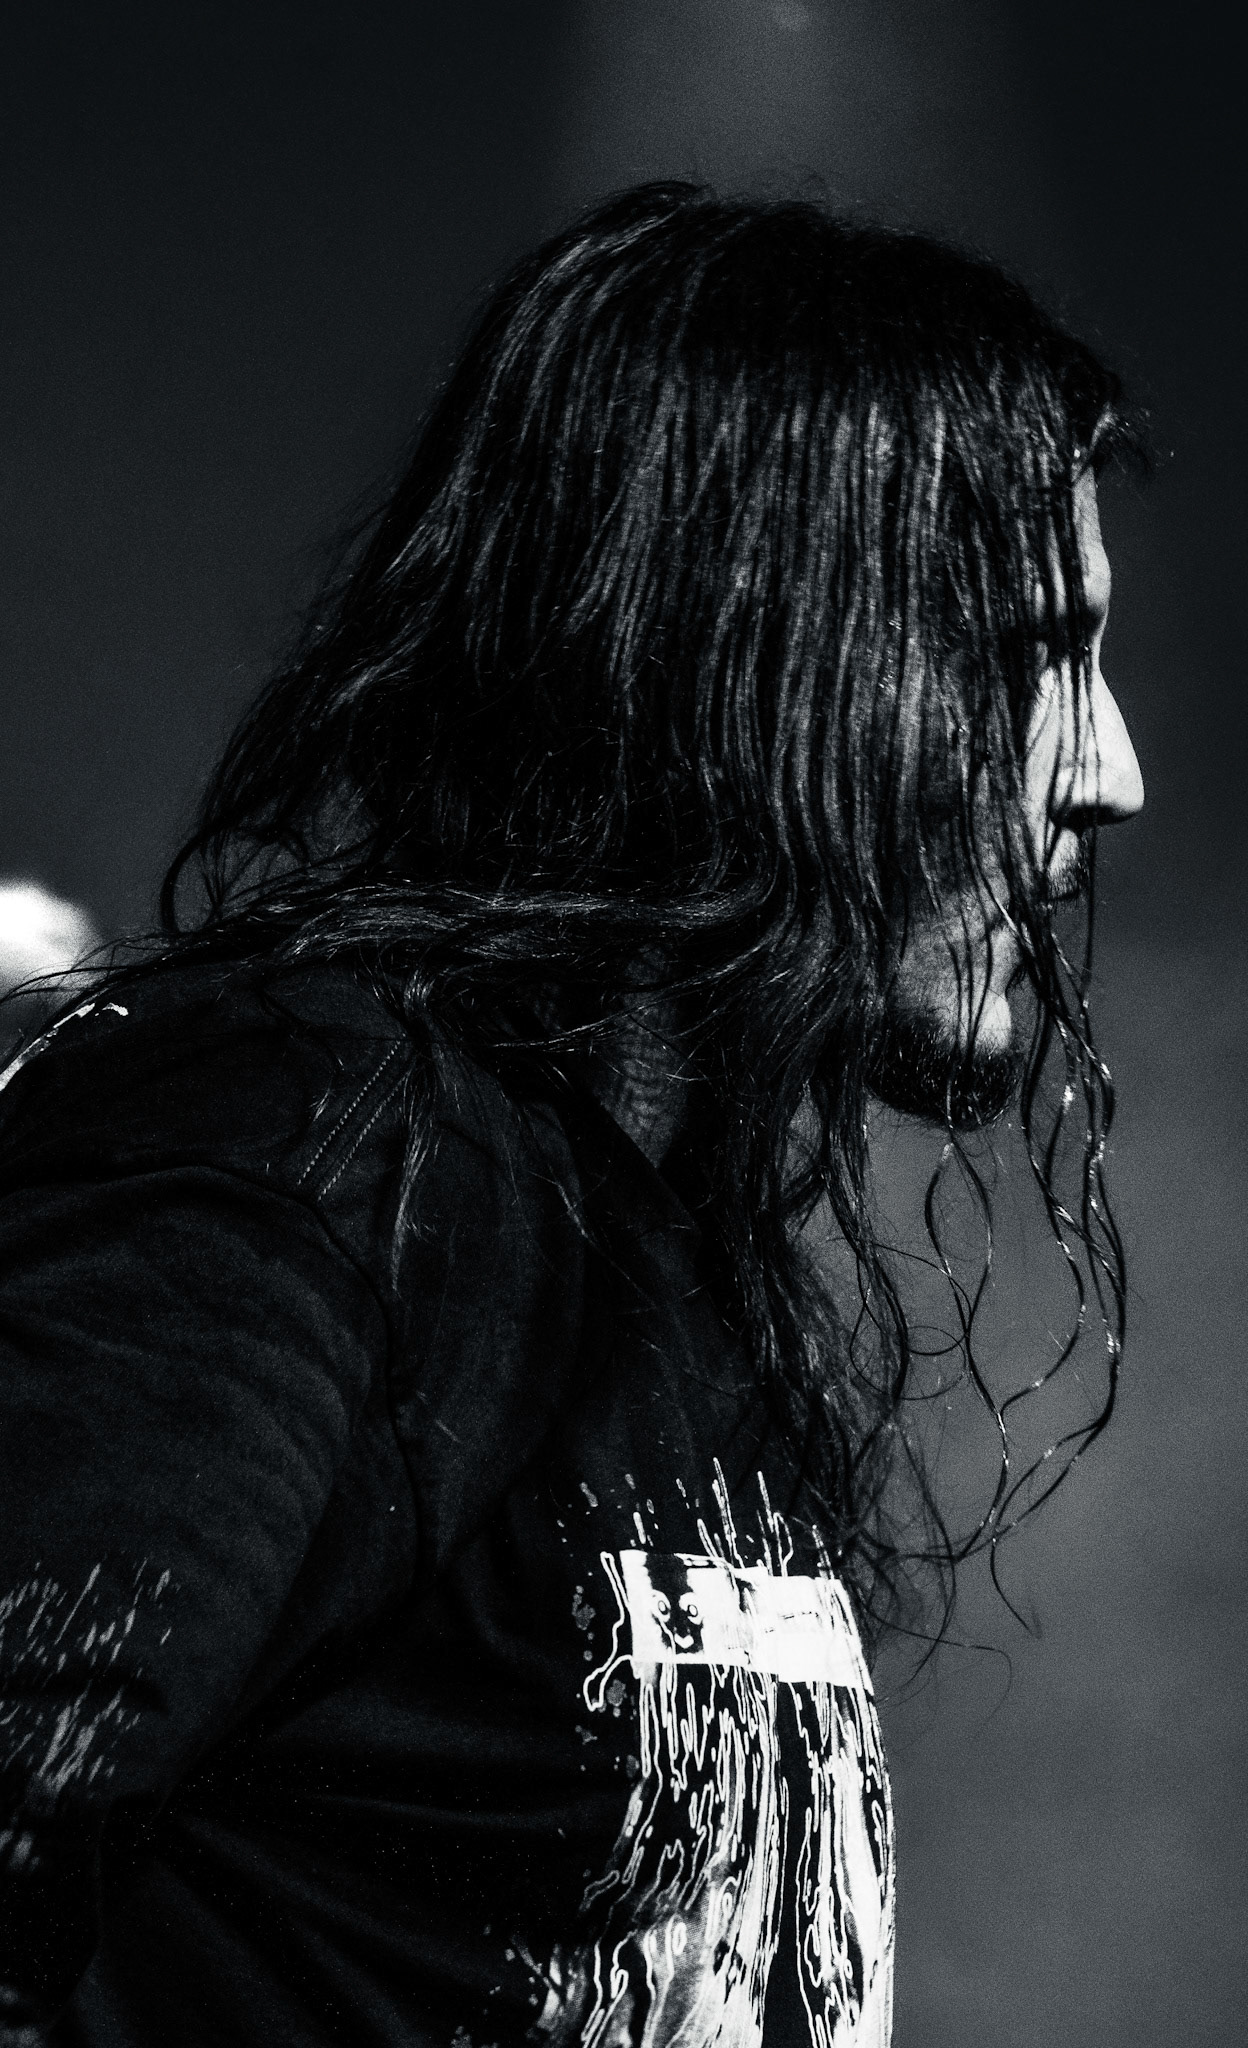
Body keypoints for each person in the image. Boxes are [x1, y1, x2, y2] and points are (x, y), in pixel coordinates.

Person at [0, 183, 1143, 2047]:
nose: (1110, 772)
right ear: (757, 656)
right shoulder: (318, 1154)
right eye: (1034, 659)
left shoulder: (647, 1272)